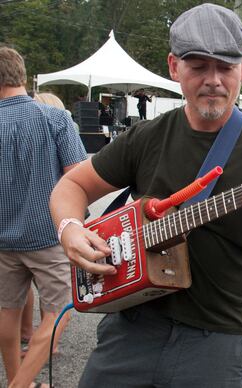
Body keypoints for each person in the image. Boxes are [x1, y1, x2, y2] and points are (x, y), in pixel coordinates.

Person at [49, 4, 242, 387]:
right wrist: (71, 228)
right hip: (131, 328)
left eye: (225, 67)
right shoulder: (146, 136)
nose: (213, 80)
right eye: (198, 67)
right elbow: (71, 187)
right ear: (174, 67)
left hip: (213, 342)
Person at [0, 47, 87, 388]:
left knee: (6, 312)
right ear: (21, 75)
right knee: (61, 310)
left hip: (3, 239)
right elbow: (79, 178)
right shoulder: (54, 119)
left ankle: (14, 379)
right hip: (49, 236)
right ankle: (21, 385)